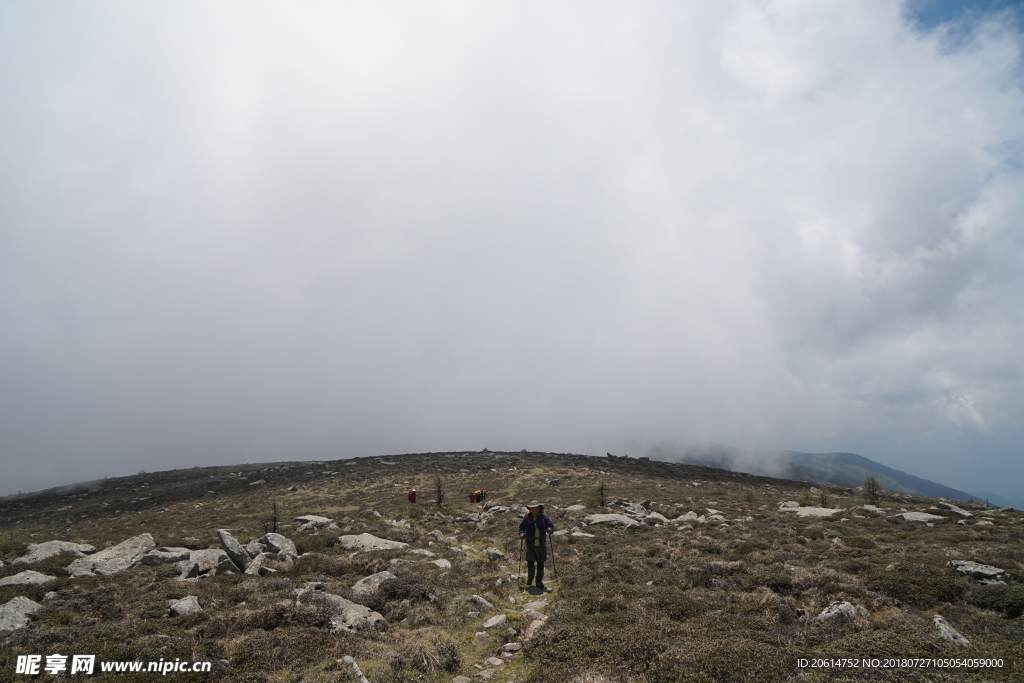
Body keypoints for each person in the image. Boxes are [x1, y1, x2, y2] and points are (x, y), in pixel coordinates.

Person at [518, 500, 554, 590]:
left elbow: (550, 526)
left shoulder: (544, 517)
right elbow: (521, 527)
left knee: (541, 562)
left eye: (536, 508)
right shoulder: (527, 517)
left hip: (541, 542)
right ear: (530, 509)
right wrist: (521, 534)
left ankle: (539, 581)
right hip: (530, 542)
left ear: (539, 508)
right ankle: (530, 579)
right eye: (532, 508)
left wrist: (549, 529)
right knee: (530, 561)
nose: (534, 510)